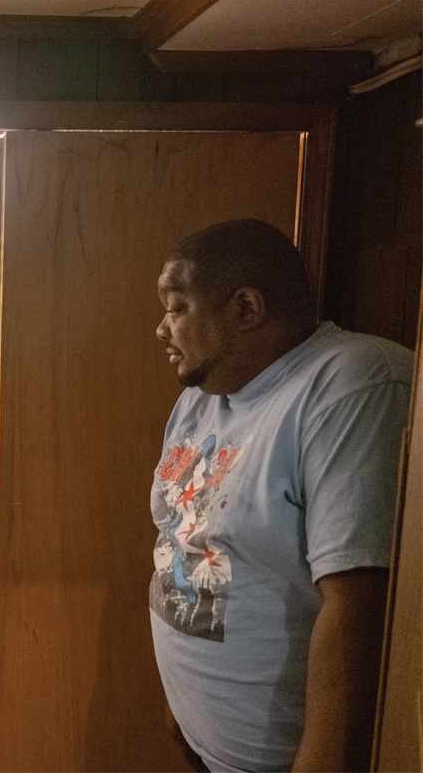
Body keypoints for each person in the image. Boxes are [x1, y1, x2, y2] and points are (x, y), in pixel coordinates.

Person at [149, 219, 413, 773]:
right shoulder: (206, 394)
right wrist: (184, 707)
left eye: (177, 307)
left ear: (246, 308)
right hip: (205, 742)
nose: (161, 328)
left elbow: (361, 604)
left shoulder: (351, 384)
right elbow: (180, 533)